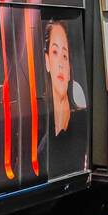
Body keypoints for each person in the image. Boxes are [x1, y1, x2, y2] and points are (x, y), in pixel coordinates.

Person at [42, 19, 88, 174]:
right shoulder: (40, 127)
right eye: (55, 53)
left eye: (65, 55)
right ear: (47, 61)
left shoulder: (83, 117)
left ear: (69, 68)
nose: (61, 63)